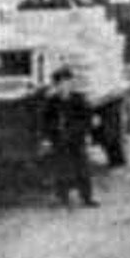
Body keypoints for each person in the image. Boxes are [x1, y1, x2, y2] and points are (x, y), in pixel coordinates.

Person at [41, 66, 97, 207]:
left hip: (76, 138)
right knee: (61, 169)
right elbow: (45, 121)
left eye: (67, 83)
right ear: (56, 86)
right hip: (59, 139)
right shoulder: (51, 102)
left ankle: (87, 198)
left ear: (71, 84)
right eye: (60, 84)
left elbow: (88, 118)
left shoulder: (79, 100)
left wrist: (87, 134)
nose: (64, 87)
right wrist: (47, 138)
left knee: (82, 168)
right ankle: (62, 197)